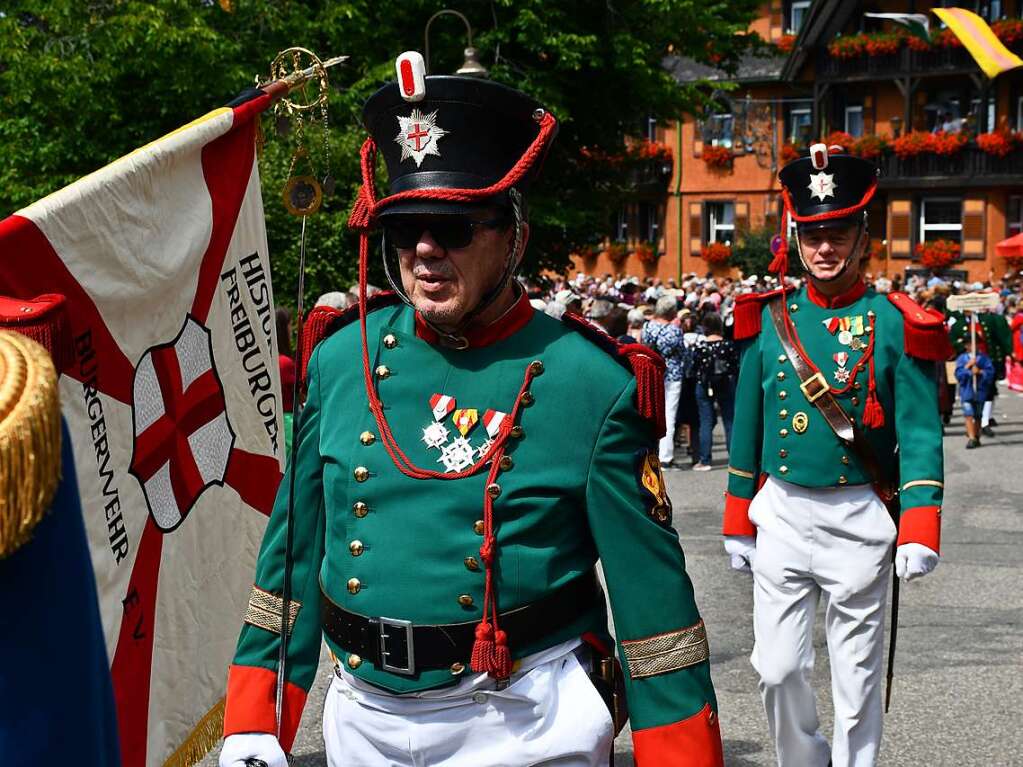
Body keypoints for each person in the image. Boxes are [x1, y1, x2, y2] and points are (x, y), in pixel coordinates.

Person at [220, 64, 722, 767]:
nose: (425, 250)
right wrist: (254, 716)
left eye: (451, 227)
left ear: (510, 232)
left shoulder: (592, 382)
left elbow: (654, 611)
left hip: (525, 716)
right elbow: (293, 556)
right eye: (404, 229)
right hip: (363, 716)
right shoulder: (340, 361)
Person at [723, 144, 949, 767]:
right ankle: (803, 759)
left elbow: (920, 431)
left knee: (855, 680)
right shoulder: (768, 319)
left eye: (838, 232)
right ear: (796, 238)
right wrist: (738, 521)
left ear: (862, 236)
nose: (824, 247)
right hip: (785, 516)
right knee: (776, 667)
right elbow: (747, 425)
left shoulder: (893, 321)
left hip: (858, 518)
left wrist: (920, 526)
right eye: (812, 233)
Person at [642, 294, 687, 468]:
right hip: (672, 375)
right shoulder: (675, 330)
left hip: (653, 373)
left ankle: (650, 453)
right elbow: (683, 353)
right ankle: (666, 457)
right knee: (669, 415)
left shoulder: (647, 327)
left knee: (651, 413)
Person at [692, 312, 738, 471]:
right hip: (726, 383)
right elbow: (735, 365)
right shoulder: (728, 345)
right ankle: (734, 459)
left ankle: (705, 460)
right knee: (729, 421)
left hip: (704, 384)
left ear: (704, 327)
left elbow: (693, 368)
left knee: (705, 421)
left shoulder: (700, 347)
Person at [955, 348, 994, 448]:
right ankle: (971, 438)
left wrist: (980, 372)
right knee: (968, 414)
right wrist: (968, 368)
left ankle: (976, 436)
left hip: (979, 391)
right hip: (967, 391)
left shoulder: (984, 358)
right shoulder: (962, 358)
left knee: (978, 415)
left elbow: (990, 373)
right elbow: (958, 374)